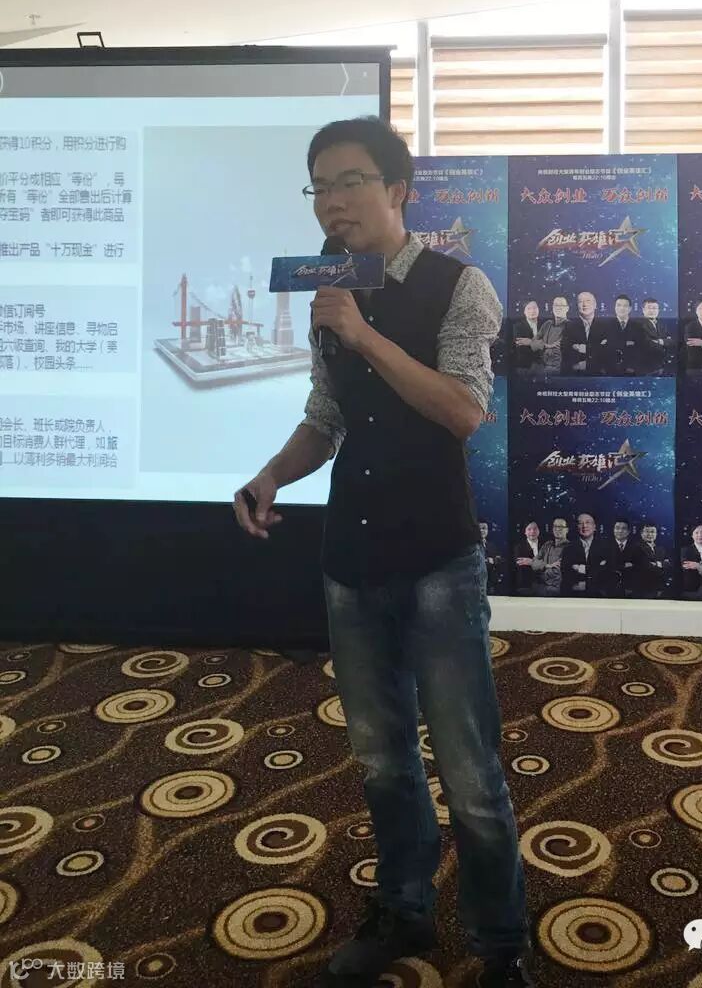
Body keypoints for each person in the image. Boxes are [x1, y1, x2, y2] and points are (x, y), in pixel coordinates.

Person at [233, 116, 532, 988]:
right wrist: (271, 474)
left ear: (398, 189)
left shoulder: (459, 285)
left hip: (438, 557)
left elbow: (463, 411)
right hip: (351, 559)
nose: (332, 201)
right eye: (320, 186)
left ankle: (500, 943)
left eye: (350, 181)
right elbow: (327, 416)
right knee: (381, 760)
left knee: (470, 772)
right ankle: (404, 910)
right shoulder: (330, 289)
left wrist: (366, 335)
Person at [561, 512, 612, 596]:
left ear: (594, 527)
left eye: (588, 522)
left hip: (600, 593)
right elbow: (566, 573)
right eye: (580, 523)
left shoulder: (606, 547)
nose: (584, 526)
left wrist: (580, 568)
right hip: (575, 594)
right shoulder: (568, 548)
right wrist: (596, 567)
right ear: (577, 527)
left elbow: (607, 572)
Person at [560, 291, 609, 375]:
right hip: (575, 374)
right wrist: (597, 347)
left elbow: (607, 352)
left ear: (595, 305)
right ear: (577, 306)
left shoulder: (606, 327)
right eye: (580, 302)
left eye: (588, 301)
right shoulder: (569, 326)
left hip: (599, 374)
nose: (584, 304)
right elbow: (566, 351)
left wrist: (582, 348)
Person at [531, 516, 569, 596]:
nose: (557, 529)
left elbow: (557, 573)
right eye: (555, 526)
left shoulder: (569, 547)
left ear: (567, 530)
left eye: (561, 527)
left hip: (556, 590)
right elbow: (533, 563)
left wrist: (540, 570)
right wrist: (547, 565)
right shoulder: (547, 545)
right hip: (541, 587)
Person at [607, 295, 642, 375]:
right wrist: (626, 343)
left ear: (630, 309)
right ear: (615, 307)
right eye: (619, 305)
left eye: (625, 306)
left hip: (632, 369)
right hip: (610, 369)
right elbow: (606, 347)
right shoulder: (606, 325)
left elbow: (640, 347)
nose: (622, 308)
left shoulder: (638, 326)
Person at [636, 522, 672, 597]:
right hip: (644, 588)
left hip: (661, 588)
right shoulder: (636, 547)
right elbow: (646, 565)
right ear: (641, 533)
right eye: (647, 531)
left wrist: (656, 564)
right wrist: (662, 564)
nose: (650, 534)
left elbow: (669, 565)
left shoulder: (661, 548)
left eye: (652, 532)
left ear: (656, 534)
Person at [536, 295, 569, 375]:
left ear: (567, 308)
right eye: (556, 305)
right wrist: (548, 346)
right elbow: (534, 343)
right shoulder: (547, 324)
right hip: (543, 366)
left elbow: (559, 348)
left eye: (561, 305)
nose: (558, 308)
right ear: (552, 307)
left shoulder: (570, 326)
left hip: (559, 369)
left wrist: (542, 345)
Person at [609, 517, 641, 597]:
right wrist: (625, 565)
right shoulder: (605, 546)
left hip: (631, 587)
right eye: (617, 528)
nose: (620, 531)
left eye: (623, 528)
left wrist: (614, 565)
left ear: (628, 531)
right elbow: (604, 567)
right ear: (613, 530)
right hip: (609, 586)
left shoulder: (636, 547)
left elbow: (639, 566)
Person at [508, 299, 543, 371]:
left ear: (538, 309)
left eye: (534, 308)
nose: (532, 311)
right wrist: (540, 344)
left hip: (544, 365)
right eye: (529, 308)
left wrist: (531, 342)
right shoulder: (518, 327)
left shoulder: (545, 324)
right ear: (524, 311)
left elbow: (550, 343)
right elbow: (521, 348)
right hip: (525, 367)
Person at [637, 297, 668, 374]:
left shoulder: (662, 325)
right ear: (643, 310)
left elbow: (672, 342)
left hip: (661, 366)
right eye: (649, 308)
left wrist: (659, 341)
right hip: (645, 367)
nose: (652, 311)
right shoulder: (638, 325)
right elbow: (646, 344)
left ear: (658, 310)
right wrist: (664, 343)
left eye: (654, 308)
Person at [679, 523, 702, 595]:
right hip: (692, 591)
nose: (700, 535)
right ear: (692, 536)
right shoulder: (685, 550)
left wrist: (698, 566)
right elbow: (686, 568)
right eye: (696, 533)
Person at [513, 521, 540, 596]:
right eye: (529, 529)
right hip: (526, 586)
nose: (532, 531)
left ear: (539, 530)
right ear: (525, 532)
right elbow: (520, 564)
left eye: (535, 529)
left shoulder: (545, 545)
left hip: (544, 585)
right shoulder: (519, 547)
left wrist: (531, 562)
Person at [479, 521, 505, 596]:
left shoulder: (492, 545)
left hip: (492, 583)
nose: (481, 530)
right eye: (479, 528)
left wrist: (494, 560)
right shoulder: (472, 546)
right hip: (477, 583)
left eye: (484, 528)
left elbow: (501, 559)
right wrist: (487, 560)